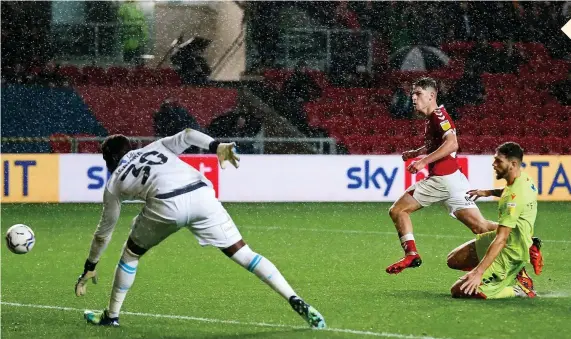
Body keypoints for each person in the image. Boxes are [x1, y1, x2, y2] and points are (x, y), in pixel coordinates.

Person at [74, 128, 326, 329]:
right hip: (201, 194)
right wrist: (218, 147)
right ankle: (294, 298)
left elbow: (103, 232)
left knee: (130, 254)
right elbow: (187, 134)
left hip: (166, 205)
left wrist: (90, 266)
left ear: (110, 158)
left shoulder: (114, 183)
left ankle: (111, 316)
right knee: (244, 253)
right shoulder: (155, 146)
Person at [386, 77, 499, 275]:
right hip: (454, 180)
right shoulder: (434, 119)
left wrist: (423, 162)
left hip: (441, 179)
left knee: (398, 211)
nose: (413, 98)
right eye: (413, 94)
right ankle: (522, 237)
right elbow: (438, 144)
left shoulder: (439, 116)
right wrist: (417, 152)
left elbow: (452, 144)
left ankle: (411, 254)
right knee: (480, 226)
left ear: (431, 96)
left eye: (418, 94)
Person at [447, 142, 543, 299]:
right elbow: (507, 191)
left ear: (512, 164)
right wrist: (487, 192)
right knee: (453, 260)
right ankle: (521, 253)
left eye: (498, 161)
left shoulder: (513, 199)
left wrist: (479, 272)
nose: (494, 164)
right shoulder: (524, 179)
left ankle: (519, 289)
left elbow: (501, 239)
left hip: (511, 251)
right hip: (511, 239)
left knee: (459, 290)